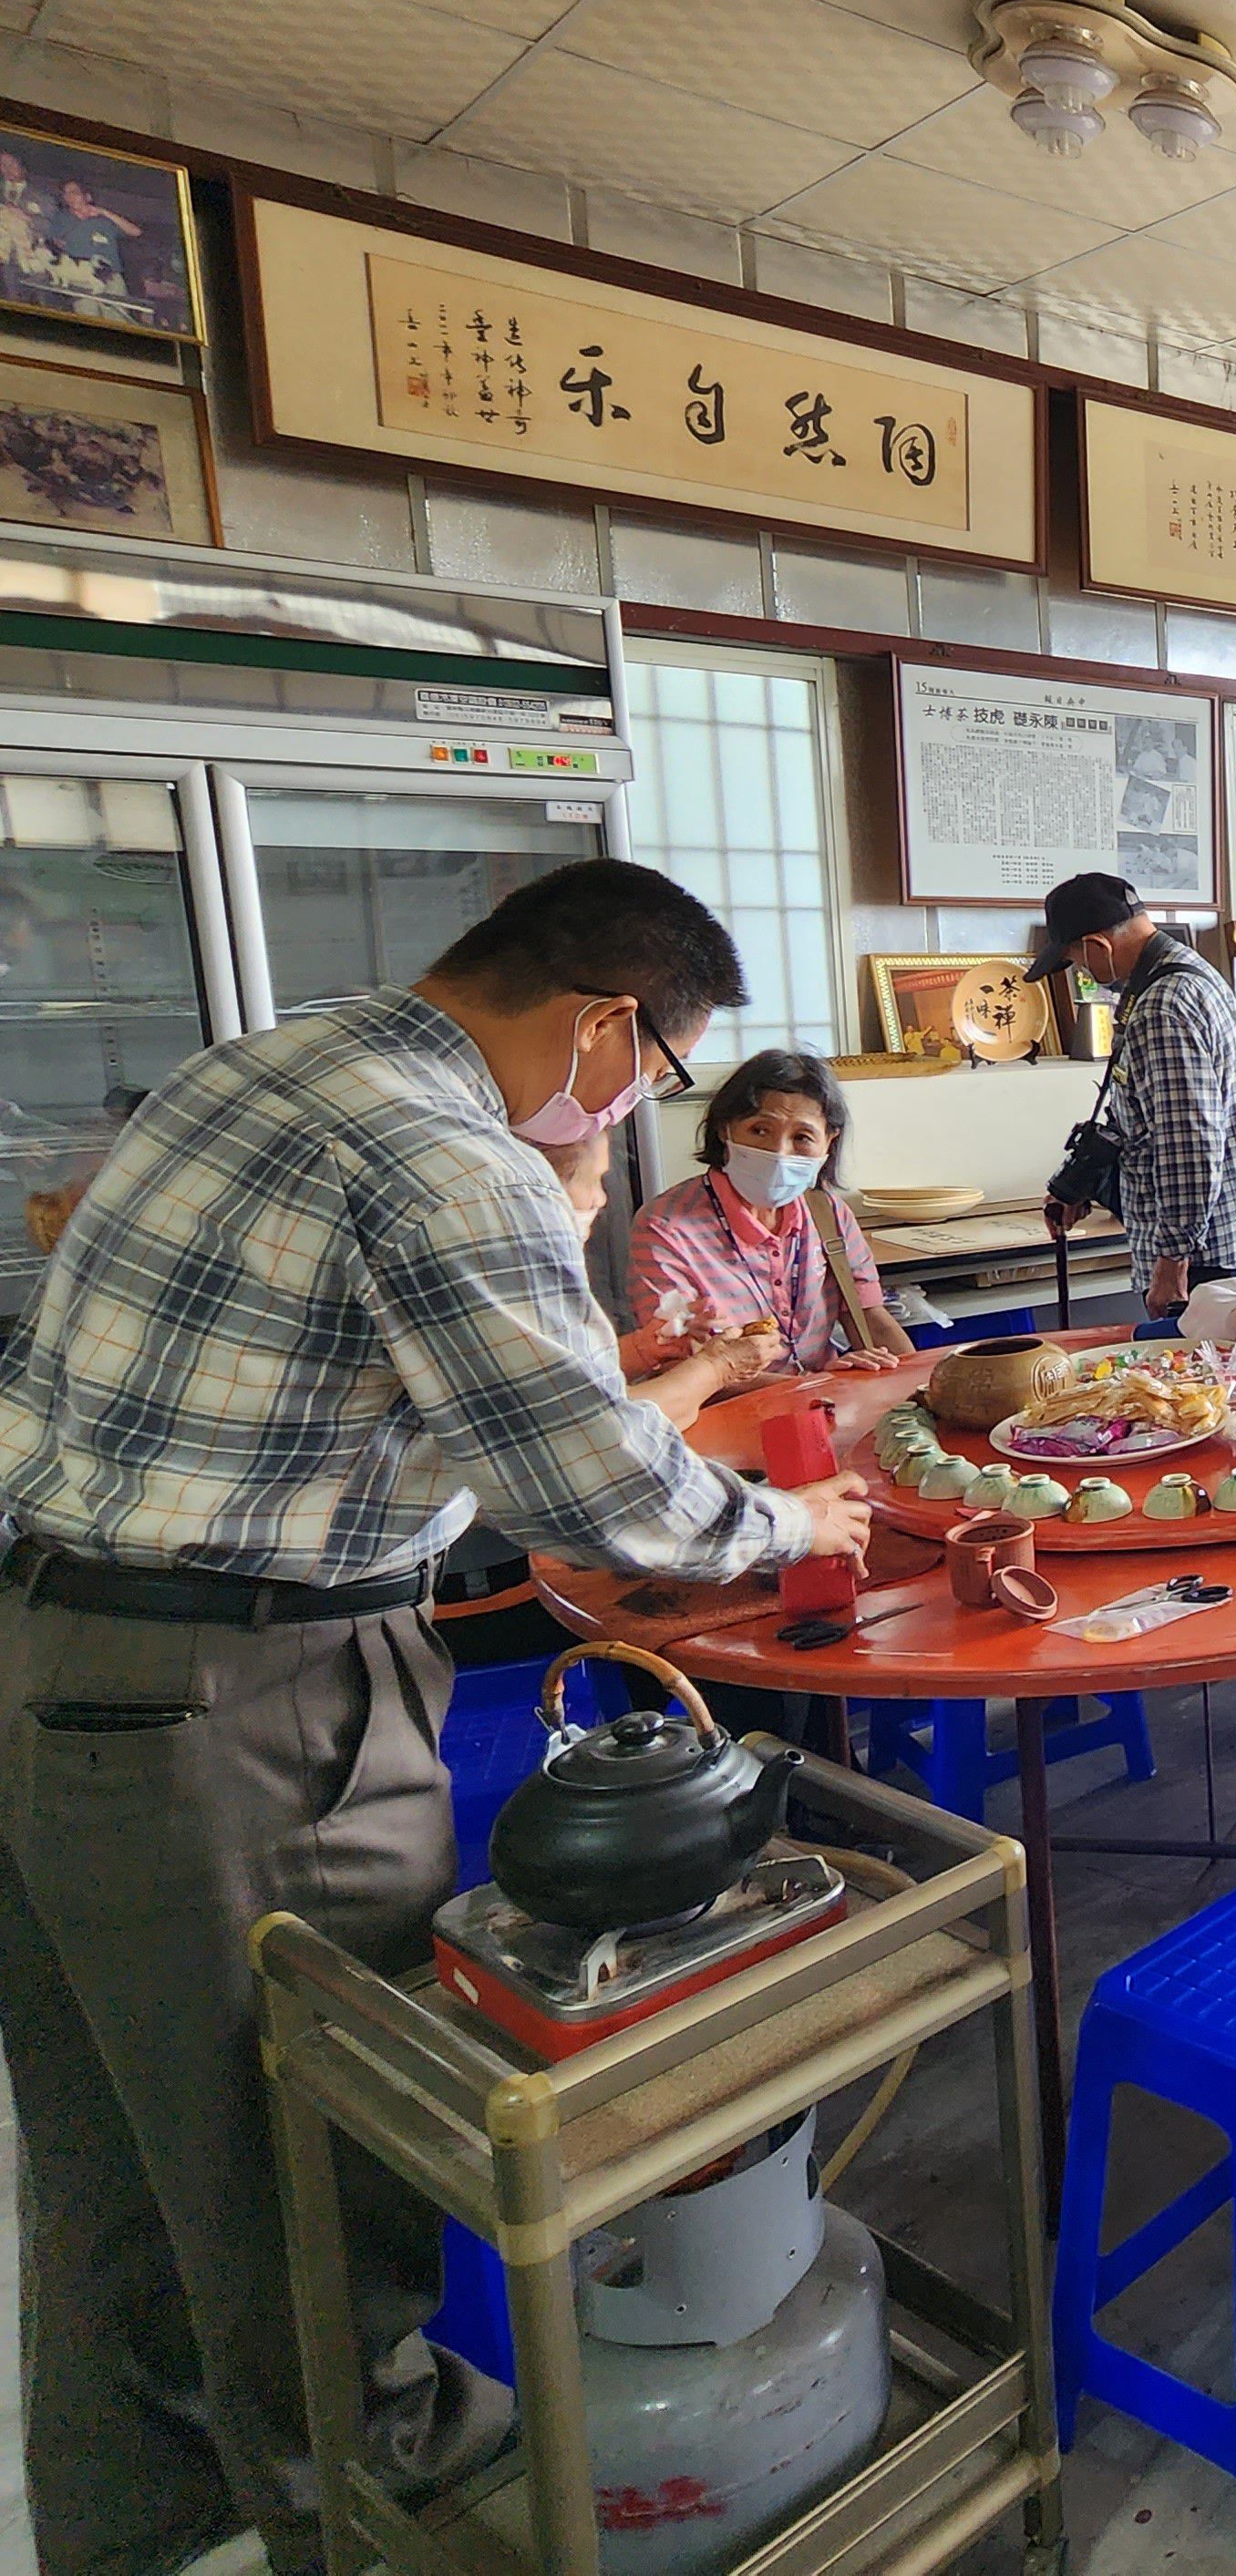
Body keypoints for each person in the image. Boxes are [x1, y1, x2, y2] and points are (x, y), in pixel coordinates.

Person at [0, 858, 875, 2576]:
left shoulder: (268, 1060)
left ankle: (160, 2538)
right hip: (240, 1705)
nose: (649, 1110)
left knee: (121, 2183)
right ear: (607, 1024)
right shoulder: (443, 1150)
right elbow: (588, 1486)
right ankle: (388, 2526)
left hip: (55, 1659)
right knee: (307, 2172)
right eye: (666, 1072)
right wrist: (796, 1526)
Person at [1028, 871, 1236, 1321]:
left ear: (1098, 946)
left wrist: (1172, 1262)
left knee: (1197, 1388)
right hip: (1223, 1236)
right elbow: (1142, 1117)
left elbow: (1189, 1145)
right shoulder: (1194, 974)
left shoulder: (1161, 1007)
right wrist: (1078, 1182)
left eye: (1078, 961)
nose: (1084, 973)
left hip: (1200, 1258)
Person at [629, 1048, 917, 1372]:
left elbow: (867, 1316)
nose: (779, 1153)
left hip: (829, 1406)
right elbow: (672, 1365)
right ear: (725, 1130)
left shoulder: (828, 1214)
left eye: (802, 1137)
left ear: (828, 1143)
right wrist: (814, 1387)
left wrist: (918, 1385)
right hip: (730, 1415)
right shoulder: (666, 1226)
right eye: (760, 1130)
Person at [539, 1126, 783, 1428]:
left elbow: (572, 1374)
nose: (601, 1200)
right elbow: (614, 1425)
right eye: (595, 1180)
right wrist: (718, 1367)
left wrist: (644, 1348)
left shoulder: (826, 1212)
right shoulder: (665, 1223)